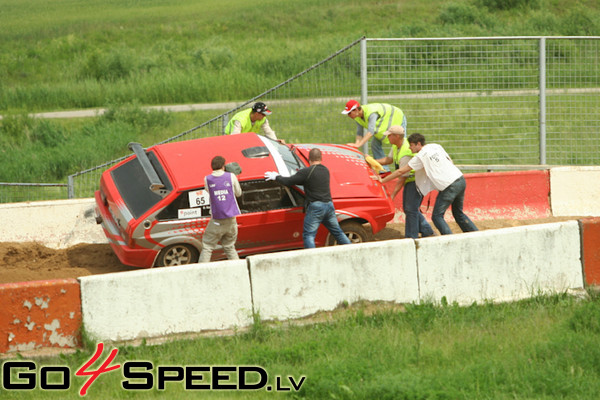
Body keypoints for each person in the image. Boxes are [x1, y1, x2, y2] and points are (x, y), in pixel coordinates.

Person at [382, 133, 478, 235]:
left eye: (411, 145)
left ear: (418, 144)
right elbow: (450, 160)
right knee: (458, 213)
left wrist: (382, 180)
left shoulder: (420, 157)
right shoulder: (435, 146)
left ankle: (450, 239)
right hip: (459, 178)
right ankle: (477, 235)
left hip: (448, 186)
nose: (410, 148)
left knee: (437, 216)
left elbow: (400, 172)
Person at [264, 148, 352, 248]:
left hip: (316, 208)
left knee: (309, 235)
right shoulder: (325, 170)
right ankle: (352, 249)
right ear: (321, 158)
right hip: (329, 205)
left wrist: (277, 177)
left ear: (309, 159)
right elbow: (308, 181)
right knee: (337, 232)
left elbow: (289, 181)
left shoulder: (306, 172)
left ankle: (312, 259)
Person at [376, 126, 434, 239]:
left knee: (410, 209)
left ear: (397, 136)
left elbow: (401, 176)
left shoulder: (406, 152)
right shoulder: (396, 146)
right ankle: (427, 230)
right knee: (410, 208)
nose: (387, 137)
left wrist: (392, 195)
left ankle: (411, 237)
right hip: (411, 180)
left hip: (415, 180)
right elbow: (389, 160)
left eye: (389, 135)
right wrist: (374, 162)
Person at [198, 155, 243, 262]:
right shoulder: (231, 176)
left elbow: (209, 192)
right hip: (231, 219)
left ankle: (201, 272)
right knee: (229, 246)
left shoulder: (207, 179)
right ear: (223, 166)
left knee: (208, 247)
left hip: (216, 220)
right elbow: (238, 193)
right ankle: (238, 270)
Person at [341, 100, 407, 164]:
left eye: (349, 113)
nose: (348, 115)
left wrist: (358, 144)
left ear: (356, 110)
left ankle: (403, 167)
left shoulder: (371, 113)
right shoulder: (357, 117)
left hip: (397, 118)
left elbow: (370, 132)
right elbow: (359, 133)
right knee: (374, 145)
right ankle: (383, 171)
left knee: (400, 146)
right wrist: (356, 145)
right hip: (384, 126)